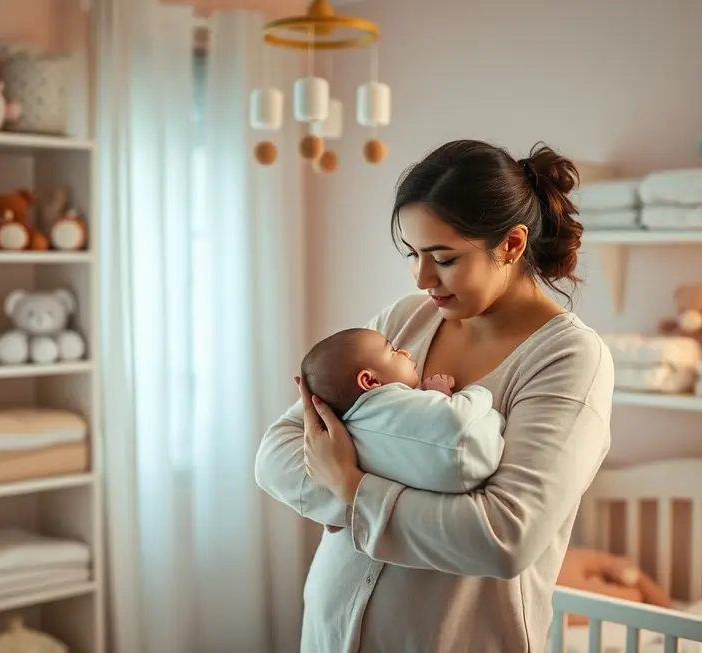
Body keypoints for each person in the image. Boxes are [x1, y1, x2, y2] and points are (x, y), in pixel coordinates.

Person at [255, 139, 615, 652]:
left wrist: (353, 487)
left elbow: (502, 538)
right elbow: (276, 455)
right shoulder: (406, 320)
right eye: (412, 254)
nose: (423, 279)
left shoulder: (568, 360)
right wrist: (413, 507)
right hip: (332, 628)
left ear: (511, 246)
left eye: (443, 258)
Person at [299, 327, 505, 494]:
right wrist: (477, 393)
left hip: (450, 484)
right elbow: (449, 420)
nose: (406, 352)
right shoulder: (392, 400)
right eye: (394, 351)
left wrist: (346, 484)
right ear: (370, 380)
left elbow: (409, 436)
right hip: (483, 448)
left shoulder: (346, 436)